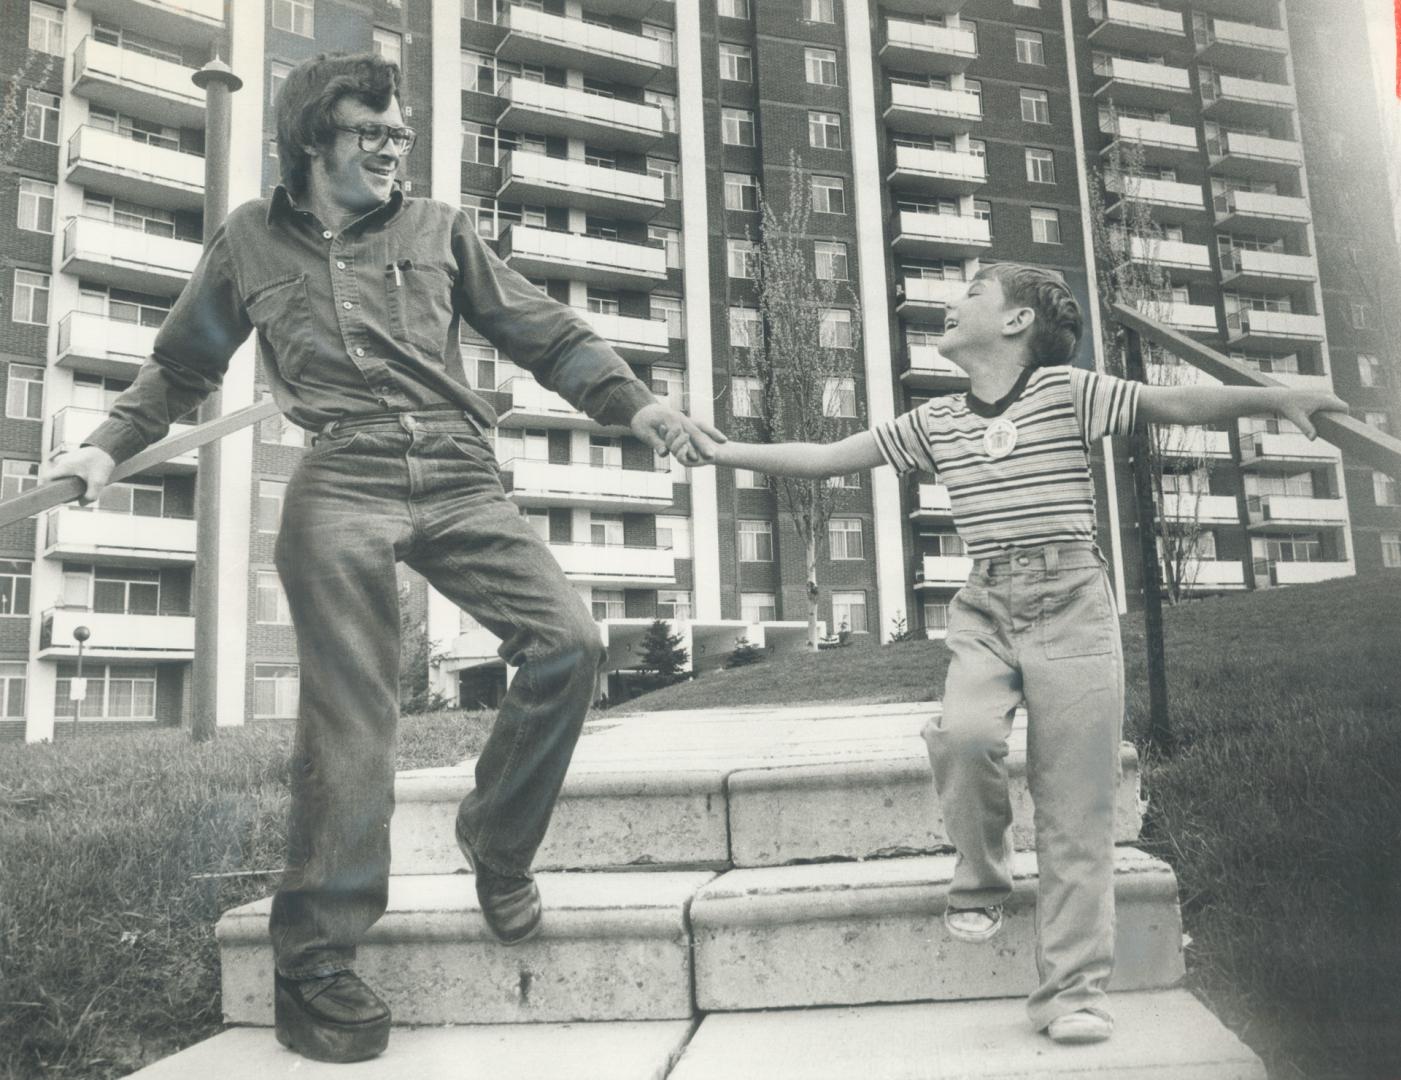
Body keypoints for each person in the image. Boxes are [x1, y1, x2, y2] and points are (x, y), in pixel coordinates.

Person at [39, 52, 722, 1064]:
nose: (392, 149)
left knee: (569, 643)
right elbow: (182, 365)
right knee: (353, 722)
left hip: (454, 469)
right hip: (341, 478)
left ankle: (496, 840)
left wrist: (639, 403)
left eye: (399, 134)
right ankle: (315, 959)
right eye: (372, 132)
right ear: (316, 139)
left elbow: (546, 332)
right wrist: (101, 452)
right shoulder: (248, 241)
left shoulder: (437, 228)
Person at [693, 262, 1346, 1046]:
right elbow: (830, 456)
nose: (951, 300)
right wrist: (726, 454)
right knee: (964, 738)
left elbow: (1171, 403)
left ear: (1014, 323)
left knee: (1076, 803)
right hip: (985, 605)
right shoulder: (933, 421)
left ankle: (1071, 990)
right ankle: (981, 875)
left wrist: (1276, 398)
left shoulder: (1066, 391)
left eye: (971, 290)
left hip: (1072, 602)